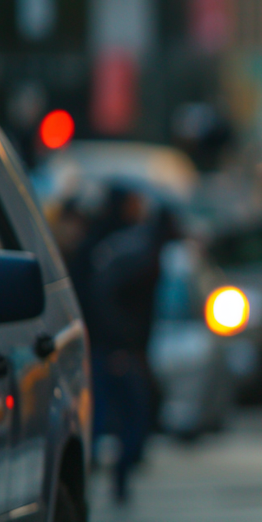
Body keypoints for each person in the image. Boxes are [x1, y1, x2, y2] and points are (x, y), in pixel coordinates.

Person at [83, 185, 170, 504]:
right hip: (116, 348)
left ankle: (115, 475)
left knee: (123, 414)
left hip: (121, 347)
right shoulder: (129, 252)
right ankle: (113, 475)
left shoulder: (125, 247)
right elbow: (103, 297)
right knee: (124, 415)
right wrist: (119, 341)